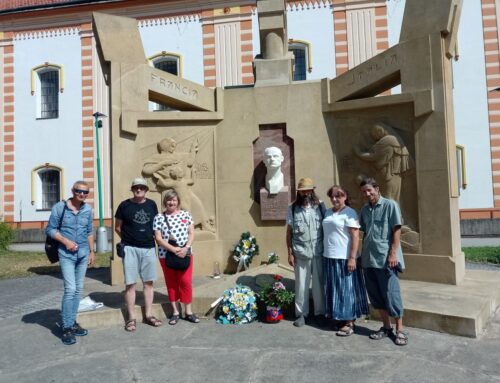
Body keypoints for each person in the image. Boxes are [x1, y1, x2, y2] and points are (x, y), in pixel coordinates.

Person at [359, 177, 408, 346]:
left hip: (386, 259)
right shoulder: (365, 210)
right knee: (376, 295)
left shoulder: (390, 205)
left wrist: (393, 254)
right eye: (364, 191)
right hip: (369, 259)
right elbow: (364, 233)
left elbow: (396, 231)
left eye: (369, 190)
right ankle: (386, 327)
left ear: (377, 189)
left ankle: (399, 329)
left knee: (391, 294)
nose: (367, 194)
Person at [46, 180, 95, 345]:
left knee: (78, 290)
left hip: (83, 254)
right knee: (70, 289)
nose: (81, 194)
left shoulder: (88, 209)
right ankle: (66, 328)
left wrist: (91, 251)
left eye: (85, 192)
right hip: (66, 254)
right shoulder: (60, 207)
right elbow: (51, 229)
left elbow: (89, 231)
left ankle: (72, 322)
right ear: (72, 191)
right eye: (78, 191)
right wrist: (66, 241)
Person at [115, 177, 161, 332]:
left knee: (148, 283)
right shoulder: (124, 205)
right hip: (130, 249)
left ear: (146, 190)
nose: (139, 189)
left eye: (142, 187)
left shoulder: (152, 204)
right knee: (130, 284)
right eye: (136, 187)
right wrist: (128, 240)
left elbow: (156, 225)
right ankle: (131, 318)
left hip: (148, 247)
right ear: (132, 189)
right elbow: (117, 227)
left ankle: (148, 315)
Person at [322, 185, 369, 336]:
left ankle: (350, 323)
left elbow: (355, 236)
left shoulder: (350, 213)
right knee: (336, 290)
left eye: (339, 196)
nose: (335, 199)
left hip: (344, 257)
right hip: (330, 256)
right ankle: (340, 319)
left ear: (345, 197)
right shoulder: (328, 212)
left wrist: (352, 258)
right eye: (332, 196)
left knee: (347, 290)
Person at [153, 189, 199, 325]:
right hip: (166, 255)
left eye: (173, 200)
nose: (171, 202)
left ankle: (188, 311)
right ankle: (175, 312)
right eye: (168, 200)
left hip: (186, 254)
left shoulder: (186, 215)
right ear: (165, 202)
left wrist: (185, 248)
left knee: (185, 282)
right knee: (171, 283)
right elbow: (158, 238)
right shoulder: (159, 217)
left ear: (178, 202)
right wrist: (173, 249)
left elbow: (191, 233)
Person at [286, 177, 326, 327]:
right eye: (302, 191)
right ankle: (302, 314)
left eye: (308, 190)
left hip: (318, 251)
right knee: (301, 285)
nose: (305, 193)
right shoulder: (292, 209)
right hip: (300, 253)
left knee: (318, 285)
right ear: (299, 192)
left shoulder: (320, 207)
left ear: (312, 191)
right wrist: (290, 253)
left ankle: (320, 313)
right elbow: (289, 233)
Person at [354, 122, 412, 203]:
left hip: (389, 177)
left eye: (374, 134)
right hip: (391, 177)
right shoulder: (391, 141)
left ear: (380, 131)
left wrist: (359, 153)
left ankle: (393, 215)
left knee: (389, 200)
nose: (373, 137)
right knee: (391, 200)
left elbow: (375, 156)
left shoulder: (388, 140)